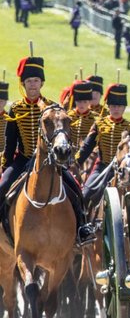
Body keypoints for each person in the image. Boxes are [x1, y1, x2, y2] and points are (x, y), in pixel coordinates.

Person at [0, 56, 95, 245]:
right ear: (23, 84)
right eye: (29, 81)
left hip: (50, 161)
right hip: (24, 159)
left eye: (36, 81)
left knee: (76, 189)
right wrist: (6, 167)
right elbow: (10, 143)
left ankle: (82, 229)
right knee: (2, 189)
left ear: (42, 82)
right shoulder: (16, 109)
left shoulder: (53, 108)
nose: (33, 85)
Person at [77, 83, 130, 206]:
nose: (116, 109)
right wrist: (76, 162)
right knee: (85, 194)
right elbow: (88, 146)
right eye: (114, 106)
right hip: (102, 167)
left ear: (124, 108)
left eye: (120, 106)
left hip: (124, 170)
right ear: (109, 106)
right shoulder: (99, 124)